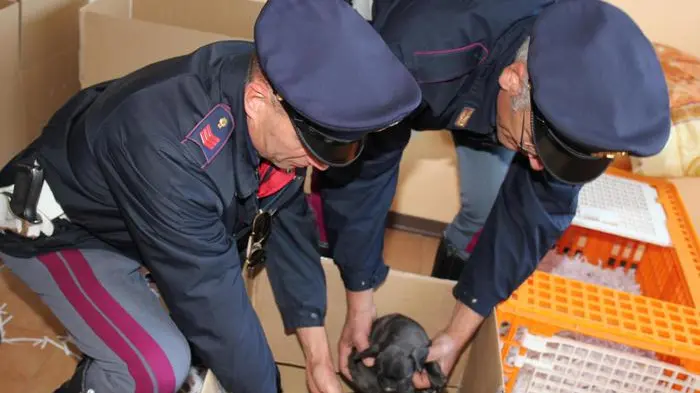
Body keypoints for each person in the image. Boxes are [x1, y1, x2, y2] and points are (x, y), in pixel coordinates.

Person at [0, 0, 422, 392]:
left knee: (196, 348)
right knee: (159, 365)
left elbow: (289, 221)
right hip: (60, 230)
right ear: (258, 102)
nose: (323, 165)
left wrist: (317, 358)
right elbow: (212, 304)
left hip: (133, 222)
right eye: (318, 146)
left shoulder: (274, 85)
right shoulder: (171, 148)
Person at [311, 0, 671, 389]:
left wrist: (455, 336)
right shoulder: (414, 54)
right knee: (338, 152)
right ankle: (326, 253)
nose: (536, 164)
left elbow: (534, 214)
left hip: (499, 68)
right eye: (534, 147)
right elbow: (364, 173)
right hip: (416, 41)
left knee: (485, 208)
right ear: (513, 78)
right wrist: (359, 298)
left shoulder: (575, 89)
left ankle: (446, 289)